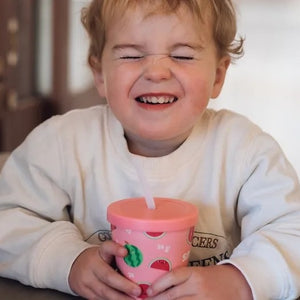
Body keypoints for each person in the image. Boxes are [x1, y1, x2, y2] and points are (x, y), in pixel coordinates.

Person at [0, 0, 300, 299]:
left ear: (218, 76)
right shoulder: (61, 144)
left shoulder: (245, 150)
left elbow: (292, 230)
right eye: (131, 55)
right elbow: (8, 219)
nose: (156, 72)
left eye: (182, 55)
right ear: (100, 74)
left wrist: (237, 280)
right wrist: (67, 261)